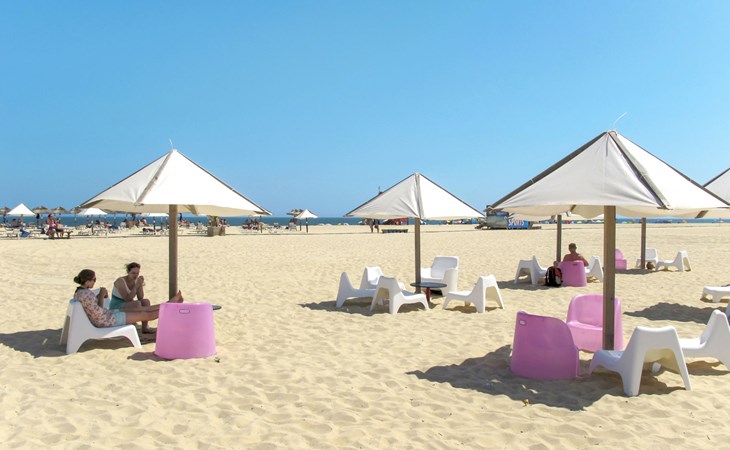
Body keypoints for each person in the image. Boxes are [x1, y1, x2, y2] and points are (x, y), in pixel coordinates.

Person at [73, 269, 183, 330]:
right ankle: (169, 306)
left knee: (143, 309)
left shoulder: (79, 293)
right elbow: (99, 312)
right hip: (108, 320)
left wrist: (98, 297)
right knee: (144, 314)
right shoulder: (86, 294)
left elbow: (94, 309)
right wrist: (101, 296)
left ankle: (169, 304)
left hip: (108, 315)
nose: (94, 281)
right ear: (87, 281)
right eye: (94, 279)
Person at [110, 262, 171, 333]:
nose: (135, 275)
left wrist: (140, 285)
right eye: (133, 273)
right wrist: (136, 286)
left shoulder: (136, 281)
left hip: (128, 303)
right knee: (137, 304)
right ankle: (134, 321)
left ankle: (145, 327)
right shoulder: (120, 281)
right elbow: (127, 298)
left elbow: (140, 297)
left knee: (146, 301)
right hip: (117, 305)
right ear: (128, 272)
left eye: (137, 273)